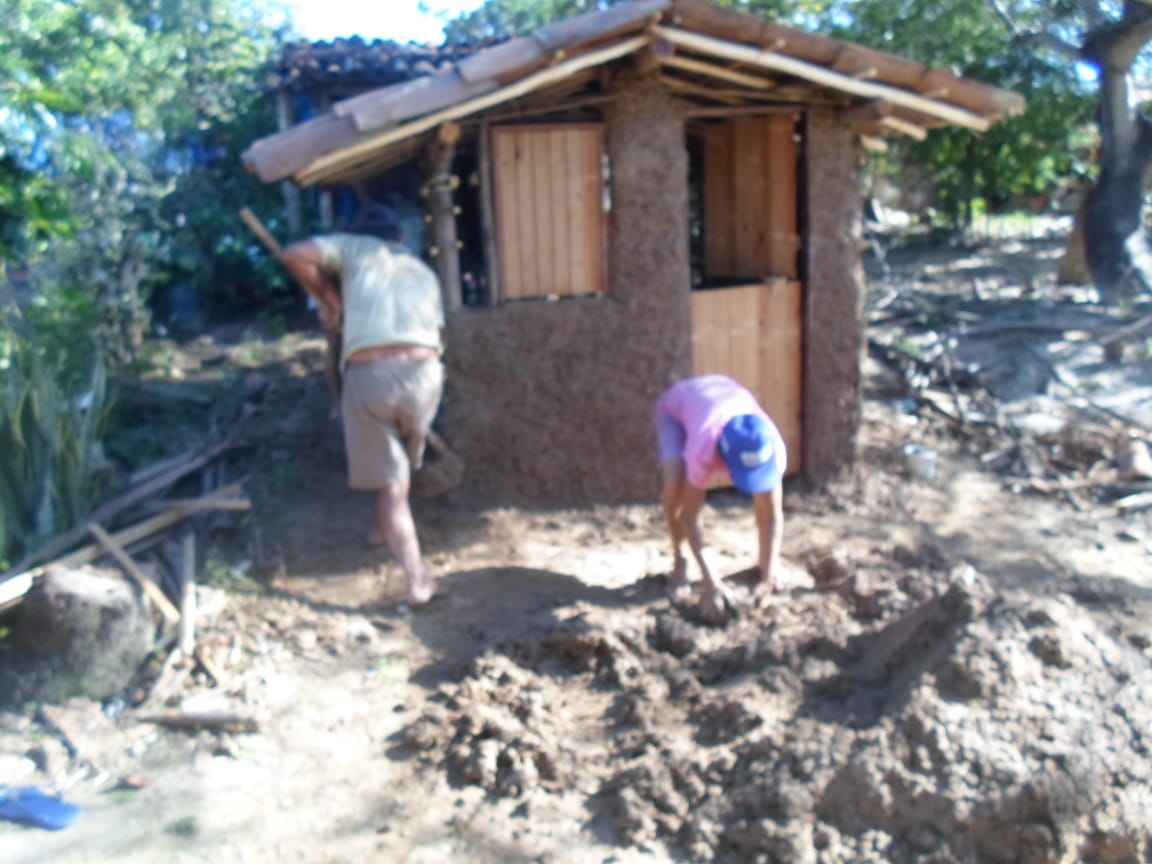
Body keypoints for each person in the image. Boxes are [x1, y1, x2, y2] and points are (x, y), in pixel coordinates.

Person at [281, 217, 445, 607]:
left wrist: (331, 299)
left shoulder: (355, 249)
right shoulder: (422, 270)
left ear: (362, 233)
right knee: (396, 466)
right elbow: (438, 334)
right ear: (401, 238)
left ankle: (417, 580)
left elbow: (295, 254)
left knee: (393, 485)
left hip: (371, 377)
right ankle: (378, 530)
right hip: (426, 377)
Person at [654, 374, 787, 623]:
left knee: (768, 509)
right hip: (676, 411)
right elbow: (688, 517)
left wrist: (769, 575)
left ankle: (765, 563)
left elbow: (772, 516)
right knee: (674, 480)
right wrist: (712, 582)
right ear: (725, 459)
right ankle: (680, 563)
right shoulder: (704, 451)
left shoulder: (773, 448)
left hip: (717, 400)